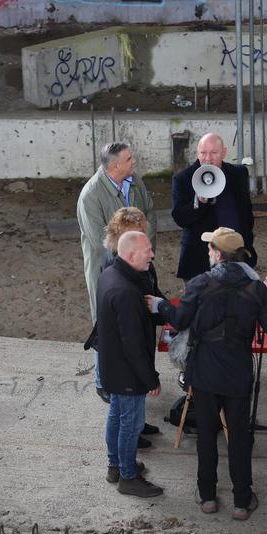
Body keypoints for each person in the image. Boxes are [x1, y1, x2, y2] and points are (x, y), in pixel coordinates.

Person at [153, 227, 267, 520]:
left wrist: (161, 305)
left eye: (210, 248)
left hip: (204, 371)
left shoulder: (201, 283)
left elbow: (180, 319)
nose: (208, 252)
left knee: (205, 435)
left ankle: (208, 496)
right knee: (239, 436)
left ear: (217, 254)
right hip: (238, 371)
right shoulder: (256, 289)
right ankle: (241, 499)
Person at [77, 142, 157, 402]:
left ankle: (132, 376)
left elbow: (150, 213)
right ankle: (103, 382)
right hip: (106, 271)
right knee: (105, 325)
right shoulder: (90, 195)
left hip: (134, 265)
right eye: (129, 159)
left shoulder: (135, 182)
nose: (134, 162)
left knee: (133, 322)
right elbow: (100, 239)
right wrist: (131, 254)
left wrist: (143, 247)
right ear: (114, 166)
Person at [83, 207, 164, 446]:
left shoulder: (137, 261)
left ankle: (137, 423)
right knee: (125, 408)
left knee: (129, 406)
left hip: (135, 329)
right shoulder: (116, 267)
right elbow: (130, 337)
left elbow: (151, 288)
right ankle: (131, 439)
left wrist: (164, 308)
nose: (144, 237)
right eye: (139, 232)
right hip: (125, 348)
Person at [96, 231, 164, 498]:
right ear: (131, 254)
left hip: (113, 366)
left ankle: (116, 464)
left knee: (116, 415)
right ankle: (128, 476)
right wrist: (150, 379)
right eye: (147, 250)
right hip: (127, 372)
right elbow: (133, 345)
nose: (152, 255)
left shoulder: (110, 274)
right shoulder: (125, 292)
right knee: (130, 424)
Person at [171, 133, 256, 282]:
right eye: (203, 153)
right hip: (200, 262)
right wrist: (198, 203)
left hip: (237, 256)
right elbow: (179, 218)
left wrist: (247, 241)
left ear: (224, 152)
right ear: (197, 153)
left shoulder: (239, 173)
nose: (208, 159)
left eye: (214, 153)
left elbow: (246, 212)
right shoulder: (183, 179)